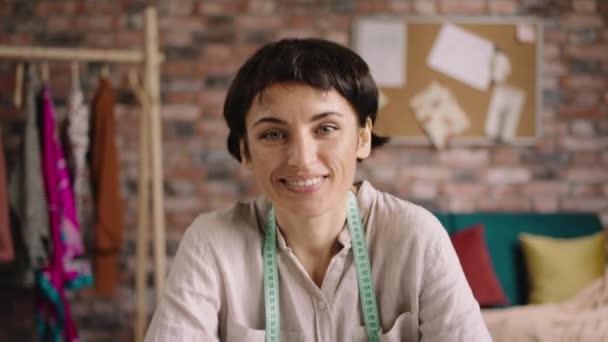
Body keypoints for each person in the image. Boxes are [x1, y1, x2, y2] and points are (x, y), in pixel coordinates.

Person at [145, 38, 491, 341]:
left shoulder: (417, 237)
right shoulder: (211, 244)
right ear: (246, 150)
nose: (302, 159)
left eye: (325, 128)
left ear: (362, 137)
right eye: (274, 134)